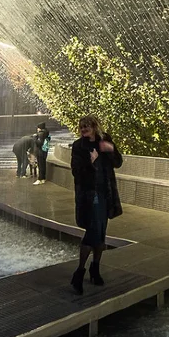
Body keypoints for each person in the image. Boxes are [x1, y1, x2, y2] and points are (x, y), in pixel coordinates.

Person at [69, 115, 122, 294]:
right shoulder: (78, 146)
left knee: (101, 232)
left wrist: (111, 149)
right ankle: (80, 271)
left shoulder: (104, 141)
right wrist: (90, 163)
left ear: (94, 126)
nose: (83, 129)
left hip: (105, 193)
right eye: (81, 127)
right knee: (93, 232)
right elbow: (76, 171)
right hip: (90, 195)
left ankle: (94, 268)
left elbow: (118, 163)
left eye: (87, 126)